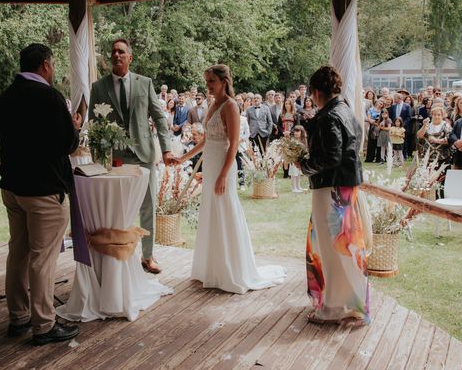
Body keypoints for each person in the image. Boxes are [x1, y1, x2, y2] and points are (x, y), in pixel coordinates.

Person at [0, 43, 82, 345]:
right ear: (45, 65)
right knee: (42, 259)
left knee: (17, 253)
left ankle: (17, 317)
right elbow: (68, 145)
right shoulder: (49, 97)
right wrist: (74, 126)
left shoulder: (5, 98)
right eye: (53, 64)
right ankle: (44, 324)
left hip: (12, 187)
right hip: (43, 190)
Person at [176, 65, 285, 293]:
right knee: (210, 211)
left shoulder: (230, 105)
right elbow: (207, 140)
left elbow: (234, 144)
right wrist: (182, 158)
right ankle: (210, 268)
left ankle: (231, 269)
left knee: (225, 209)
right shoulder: (213, 104)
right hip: (212, 162)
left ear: (224, 81)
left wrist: (224, 174)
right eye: (206, 82)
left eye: (212, 82)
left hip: (224, 166)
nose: (208, 87)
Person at [89, 38, 175, 274]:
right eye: (113, 52)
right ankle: (120, 254)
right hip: (116, 157)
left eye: (121, 52)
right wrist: (98, 160)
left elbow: (158, 116)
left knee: (148, 205)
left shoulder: (144, 83)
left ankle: (148, 257)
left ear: (130, 57)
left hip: (144, 154)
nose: (116, 55)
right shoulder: (99, 87)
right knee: (119, 208)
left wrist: (166, 148)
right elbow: (94, 124)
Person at [299, 65, 370, 325]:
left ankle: (337, 306)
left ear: (316, 92)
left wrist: (304, 165)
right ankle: (344, 303)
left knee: (333, 247)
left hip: (330, 188)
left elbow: (331, 157)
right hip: (343, 187)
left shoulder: (328, 117)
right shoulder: (347, 111)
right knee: (345, 246)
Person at [289, 125, 307, 193]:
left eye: (298, 131)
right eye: (295, 131)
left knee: (298, 173)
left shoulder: (303, 140)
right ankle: (293, 188)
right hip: (293, 160)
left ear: (301, 132)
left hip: (300, 160)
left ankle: (298, 186)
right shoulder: (293, 140)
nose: (295, 133)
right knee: (294, 174)